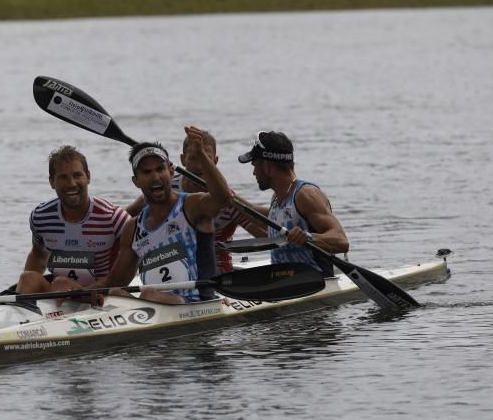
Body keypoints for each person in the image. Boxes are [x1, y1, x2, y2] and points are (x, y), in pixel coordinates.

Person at [95, 127, 232, 304]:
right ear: (135, 181)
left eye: (160, 169)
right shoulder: (133, 229)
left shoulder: (192, 206)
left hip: (197, 303)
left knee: (148, 294)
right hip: (155, 305)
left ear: (171, 172)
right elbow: (114, 282)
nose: (155, 177)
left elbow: (223, 198)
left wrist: (200, 154)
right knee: (115, 292)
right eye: (146, 172)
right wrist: (72, 291)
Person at [125, 129, 266, 272]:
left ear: (214, 162)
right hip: (171, 269)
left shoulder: (227, 201)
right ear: (182, 160)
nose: (199, 166)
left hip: (217, 274)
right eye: (193, 158)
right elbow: (120, 219)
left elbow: (266, 235)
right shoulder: (165, 187)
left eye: (204, 158)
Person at [16, 146, 130, 295]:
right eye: (63, 177)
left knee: (61, 283)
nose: (71, 183)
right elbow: (38, 255)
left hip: (102, 294)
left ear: (88, 177)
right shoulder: (41, 216)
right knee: (27, 278)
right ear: (52, 182)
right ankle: (22, 313)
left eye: (77, 175)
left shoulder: (114, 217)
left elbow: (135, 260)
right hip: (60, 292)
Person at [237, 131, 349, 277]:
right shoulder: (277, 198)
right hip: (286, 283)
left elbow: (342, 241)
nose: (254, 173)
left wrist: (308, 238)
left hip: (317, 284)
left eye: (255, 165)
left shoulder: (306, 195)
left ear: (267, 166)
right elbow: (272, 222)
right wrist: (232, 202)